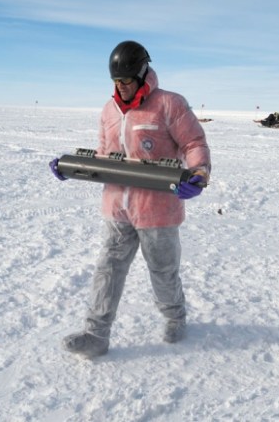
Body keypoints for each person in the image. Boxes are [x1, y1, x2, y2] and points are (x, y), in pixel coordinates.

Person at [49, 40, 211, 358]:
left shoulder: (170, 104)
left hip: (158, 208)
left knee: (163, 272)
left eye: (126, 81)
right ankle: (96, 333)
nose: (121, 88)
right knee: (107, 269)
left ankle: (175, 318)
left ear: (141, 74)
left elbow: (194, 142)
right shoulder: (109, 111)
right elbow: (103, 155)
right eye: (116, 82)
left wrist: (199, 173)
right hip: (117, 206)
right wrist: (73, 168)